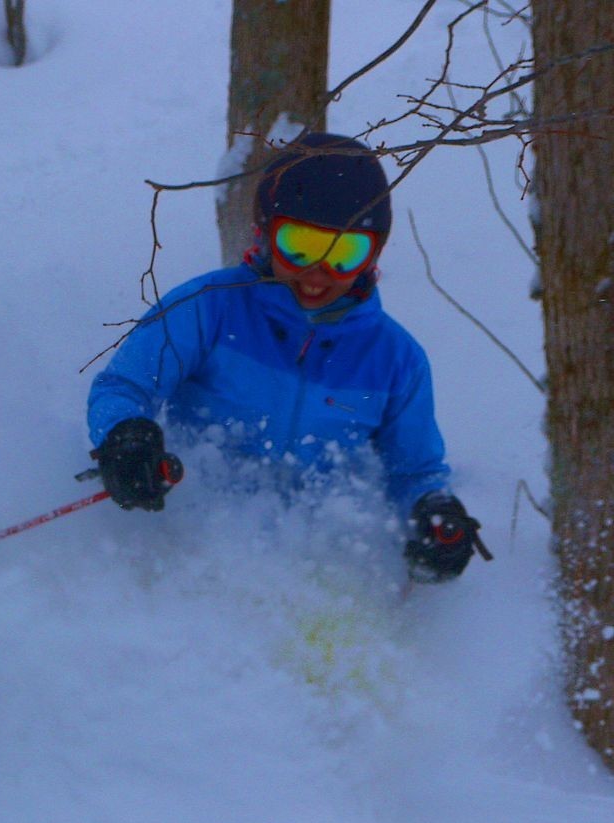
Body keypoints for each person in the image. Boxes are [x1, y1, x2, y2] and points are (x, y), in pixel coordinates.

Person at [86, 132, 486, 582]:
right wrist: (125, 436)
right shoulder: (208, 307)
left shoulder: (395, 360)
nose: (318, 273)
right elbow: (123, 387)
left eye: (344, 253)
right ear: (265, 233)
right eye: (300, 246)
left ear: (373, 255)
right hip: (190, 542)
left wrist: (433, 515)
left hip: (311, 564)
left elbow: (414, 470)